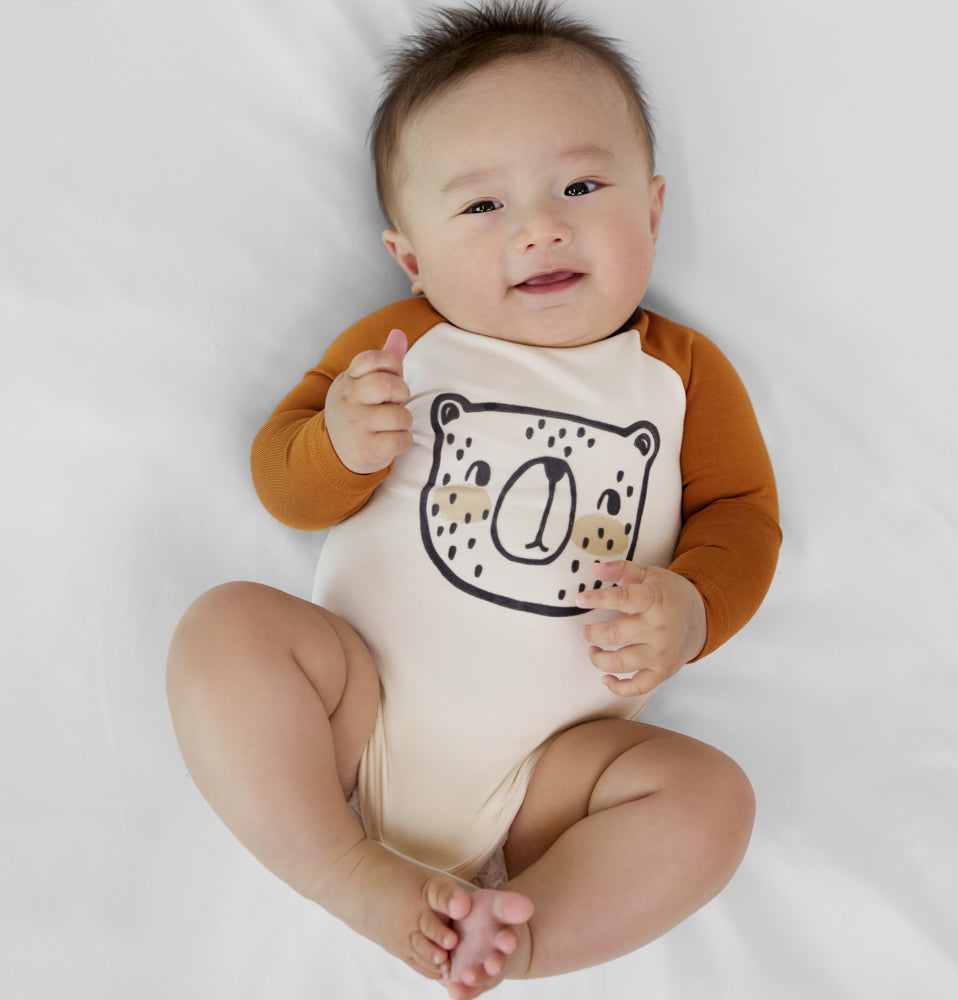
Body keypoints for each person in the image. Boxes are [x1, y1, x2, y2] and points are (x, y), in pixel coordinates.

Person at [166, 2, 781, 997]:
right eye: (482, 208)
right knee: (223, 629)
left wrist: (692, 607)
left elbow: (743, 516)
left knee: (714, 800)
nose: (541, 225)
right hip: (354, 713)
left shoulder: (677, 375)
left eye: (581, 184)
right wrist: (336, 444)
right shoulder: (402, 347)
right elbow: (281, 482)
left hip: (555, 778)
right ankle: (343, 869)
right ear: (411, 255)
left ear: (652, 210)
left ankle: (526, 934)